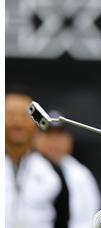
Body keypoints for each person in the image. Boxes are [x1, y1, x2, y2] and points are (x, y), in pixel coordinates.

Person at [5, 92, 69, 228]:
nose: (17, 123)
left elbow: (63, 219)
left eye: (24, 116)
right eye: (10, 115)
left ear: (36, 122)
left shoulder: (52, 170)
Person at [34, 110, 101, 228]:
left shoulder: (82, 174)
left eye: (59, 135)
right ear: (36, 139)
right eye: (49, 135)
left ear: (69, 140)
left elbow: (92, 216)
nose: (54, 142)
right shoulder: (26, 168)